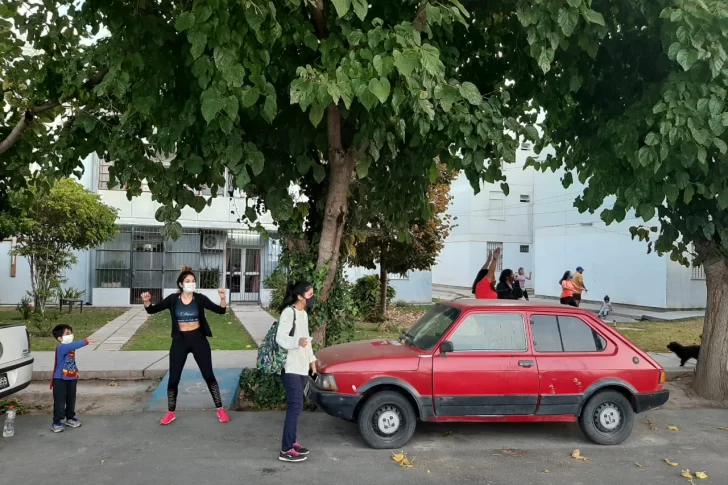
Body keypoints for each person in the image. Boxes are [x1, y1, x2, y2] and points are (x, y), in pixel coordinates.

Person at [141, 266, 230, 426]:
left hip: (198, 340)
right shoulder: (173, 300)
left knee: (209, 375)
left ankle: (220, 409)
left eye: (193, 281)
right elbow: (152, 310)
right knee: (174, 378)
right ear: (181, 284)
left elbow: (221, 311)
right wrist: (147, 302)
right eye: (188, 281)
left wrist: (223, 298)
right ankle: (170, 412)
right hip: (180, 341)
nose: (191, 284)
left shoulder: (200, 299)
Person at [275, 281, 318, 463]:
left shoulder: (303, 314)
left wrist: (312, 361)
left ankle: (292, 443)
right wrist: (296, 342)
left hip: (301, 366)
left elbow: (306, 340)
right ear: (300, 296)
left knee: (297, 407)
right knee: (295, 407)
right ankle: (285, 449)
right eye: (309, 294)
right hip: (290, 366)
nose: (312, 297)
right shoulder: (289, 312)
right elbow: (280, 338)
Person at [50, 325, 98, 433]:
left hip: (71, 378)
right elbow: (74, 345)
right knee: (60, 401)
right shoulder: (62, 347)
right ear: (60, 338)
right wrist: (86, 341)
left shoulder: (70, 348)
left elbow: (71, 361)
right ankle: (56, 421)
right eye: (67, 334)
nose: (70, 335)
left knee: (71, 399)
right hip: (60, 379)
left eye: (71, 333)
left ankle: (70, 418)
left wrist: (76, 370)